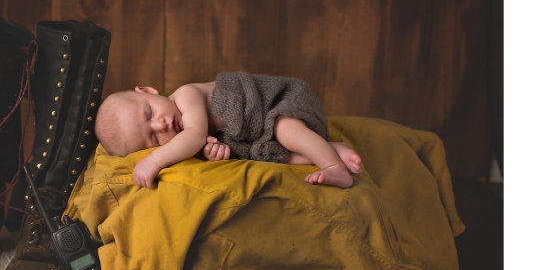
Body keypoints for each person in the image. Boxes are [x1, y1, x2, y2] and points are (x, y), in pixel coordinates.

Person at [94, 72, 362, 189]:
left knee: (286, 130)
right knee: (279, 155)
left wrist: (154, 159)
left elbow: (196, 134)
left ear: (148, 91)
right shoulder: (186, 139)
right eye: (153, 138)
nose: (161, 125)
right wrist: (217, 152)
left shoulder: (185, 96)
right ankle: (329, 149)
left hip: (280, 103)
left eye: (150, 113)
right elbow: (207, 141)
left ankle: (333, 167)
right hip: (259, 134)